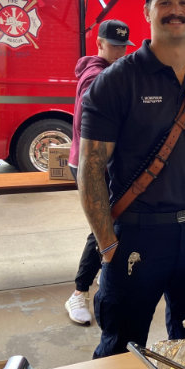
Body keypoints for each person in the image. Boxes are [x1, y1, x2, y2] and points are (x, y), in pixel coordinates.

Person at [78, 0, 185, 358]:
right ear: (147, 12)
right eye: (164, 2)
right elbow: (91, 169)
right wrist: (107, 245)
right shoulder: (117, 81)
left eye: (184, 2)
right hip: (136, 236)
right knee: (119, 351)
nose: (176, 10)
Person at [64, 19, 134, 325]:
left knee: (111, 223)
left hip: (107, 164)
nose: (119, 52)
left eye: (123, 47)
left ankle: (103, 276)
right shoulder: (95, 78)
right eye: (113, 46)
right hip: (91, 165)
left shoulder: (113, 73)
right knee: (102, 224)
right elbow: (88, 127)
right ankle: (79, 292)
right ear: (100, 44)